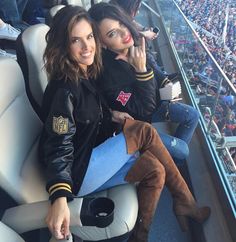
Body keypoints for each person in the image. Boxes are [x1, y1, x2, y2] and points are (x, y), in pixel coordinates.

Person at [39, 5, 210, 242]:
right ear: (63, 45)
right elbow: (58, 142)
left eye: (89, 37)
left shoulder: (85, 72)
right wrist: (59, 196)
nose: (87, 46)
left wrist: (111, 116)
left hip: (90, 154)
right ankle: (185, 202)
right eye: (75, 40)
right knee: (143, 132)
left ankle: (140, 236)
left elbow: (86, 114)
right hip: (76, 173)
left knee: (155, 169)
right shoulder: (63, 89)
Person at [88, 2, 200, 163]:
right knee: (182, 151)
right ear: (103, 44)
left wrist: (164, 82)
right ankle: (166, 164)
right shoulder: (107, 75)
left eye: (121, 23)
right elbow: (143, 111)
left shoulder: (131, 44)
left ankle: (167, 163)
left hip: (152, 100)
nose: (123, 32)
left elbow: (153, 66)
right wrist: (141, 70)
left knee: (192, 115)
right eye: (112, 33)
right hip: (133, 122)